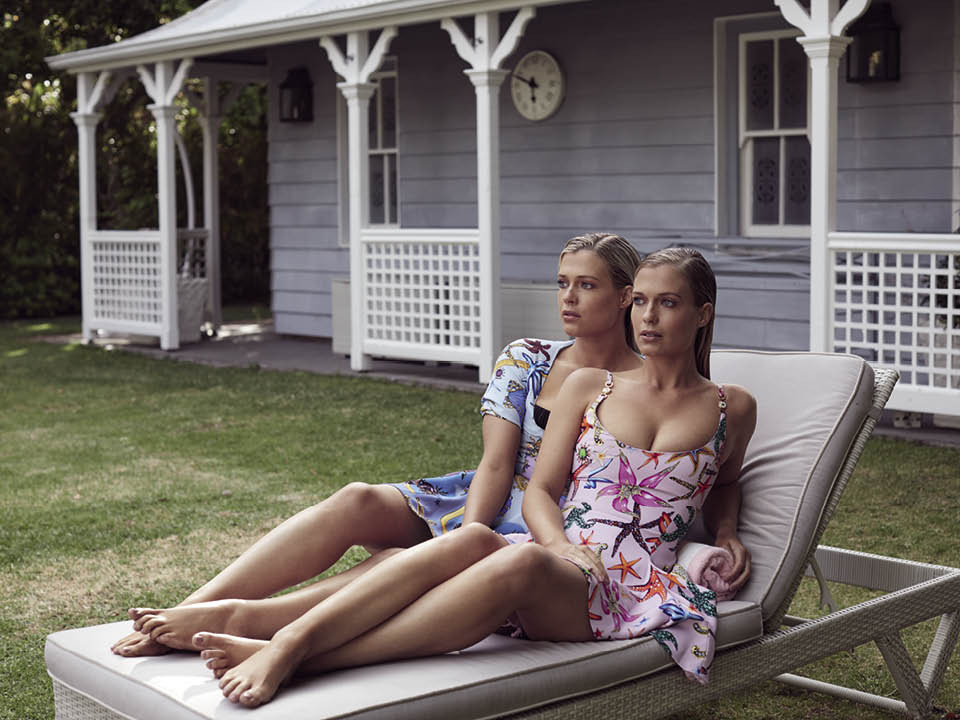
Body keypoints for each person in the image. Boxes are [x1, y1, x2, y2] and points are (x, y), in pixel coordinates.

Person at [134, 247, 758, 707]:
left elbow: (726, 480)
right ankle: (268, 625)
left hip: (629, 588)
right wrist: (560, 544)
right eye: (642, 300)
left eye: (668, 302)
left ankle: (299, 653)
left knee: (516, 559)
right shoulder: (590, 386)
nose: (649, 316)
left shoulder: (733, 406)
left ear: (702, 314)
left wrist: (726, 532)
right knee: (471, 539)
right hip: (563, 553)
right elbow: (541, 490)